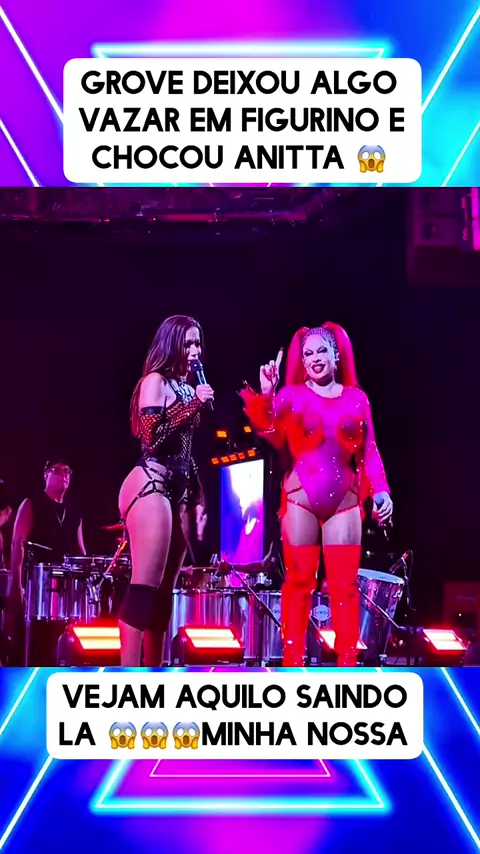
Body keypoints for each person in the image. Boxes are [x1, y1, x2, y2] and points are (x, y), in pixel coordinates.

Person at [240, 323, 393, 667]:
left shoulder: (356, 398)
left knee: (345, 585)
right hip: (301, 499)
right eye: (308, 354)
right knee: (298, 582)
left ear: (336, 355)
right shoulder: (292, 395)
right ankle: (292, 662)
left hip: (344, 501)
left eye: (321, 351)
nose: (315, 358)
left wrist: (382, 491)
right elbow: (268, 428)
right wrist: (267, 393)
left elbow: (369, 450)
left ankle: (348, 664)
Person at [118, 315, 213, 667]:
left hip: (178, 488)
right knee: (145, 587)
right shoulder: (154, 381)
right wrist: (193, 405)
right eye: (187, 343)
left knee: (163, 594)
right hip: (150, 482)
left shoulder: (186, 385)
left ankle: (154, 672)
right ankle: (130, 675)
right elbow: (152, 437)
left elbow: (185, 448)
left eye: (197, 343)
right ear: (171, 344)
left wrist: (197, 491)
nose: (195, 350)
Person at [9, 458, 86, 606]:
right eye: (56, 471)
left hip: (64, 587)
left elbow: (80, 553)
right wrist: (16, 586)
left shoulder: (74, 513)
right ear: (45, 475)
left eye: (67, 471)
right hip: (36, 582)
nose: (63, 475)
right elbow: (17, 544)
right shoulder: (31, 503)